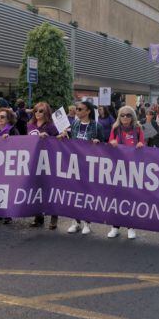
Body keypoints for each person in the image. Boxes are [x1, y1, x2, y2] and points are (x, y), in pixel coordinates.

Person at [59, 100, 103, 234]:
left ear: (88, 111)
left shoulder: (96, 126)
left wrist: (98, 142)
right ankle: (75, 221)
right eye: (76, 109)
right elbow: (71, 142)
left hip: (89, 165)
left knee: (87, 194)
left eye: (79, 109)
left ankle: (87, 223)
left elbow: (103, 146)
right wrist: (63, 137)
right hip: (74, 163)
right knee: (74, 194)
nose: (76, 111)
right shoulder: (75, 124)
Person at [107, 105, 145, 240]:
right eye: (122, 115)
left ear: (132, 116)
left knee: (130, 198)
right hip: (117, 168)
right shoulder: (115, 128)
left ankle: (131, 226)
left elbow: (142, 143)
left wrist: (140, 145)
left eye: (128, 115)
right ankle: (115, 227)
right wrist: (112, 143)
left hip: (133, 169)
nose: (125, 117)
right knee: (116, 198)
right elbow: (109, 144)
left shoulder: (138, 129)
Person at [28, 102, 60, 229]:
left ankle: (54, 216)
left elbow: (59, 141)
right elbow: (24, 140)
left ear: (46, 113)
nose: (37, 113)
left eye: (41, 111)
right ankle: (38, 216)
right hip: (34, 161)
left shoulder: (51, 126)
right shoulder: (30, 125)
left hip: (49, 161)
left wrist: (58, 136)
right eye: (35, 111)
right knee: (36, 189)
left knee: (50, 189)